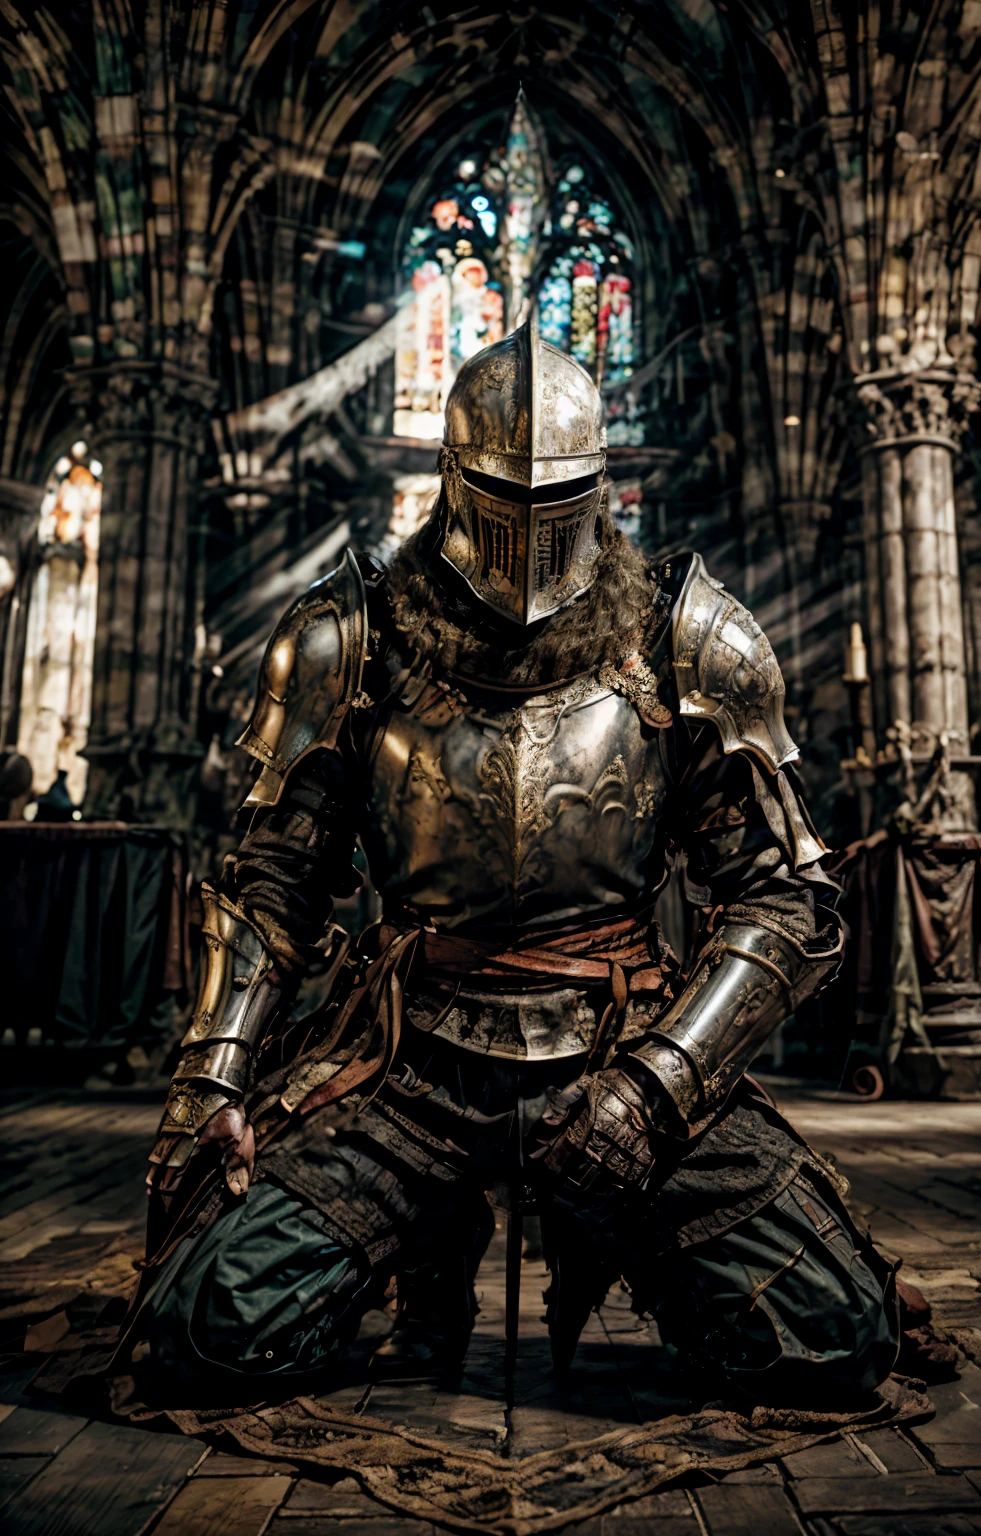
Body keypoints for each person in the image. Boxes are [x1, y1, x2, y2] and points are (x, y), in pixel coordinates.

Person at [139, 317, 898, 1408]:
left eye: (559, 500)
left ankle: (640, 1239)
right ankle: (425, 1234)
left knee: (837, 1336)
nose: (532, 531)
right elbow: (274, 885)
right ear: (452, 479)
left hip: (617, 1042)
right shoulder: (350, 636)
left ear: (598, 484)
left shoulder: (689, 636)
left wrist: (660, 1085)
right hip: (411, 1059)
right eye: (510, 497)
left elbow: (781, 896)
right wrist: (211, 1078)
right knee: (205, 1329)